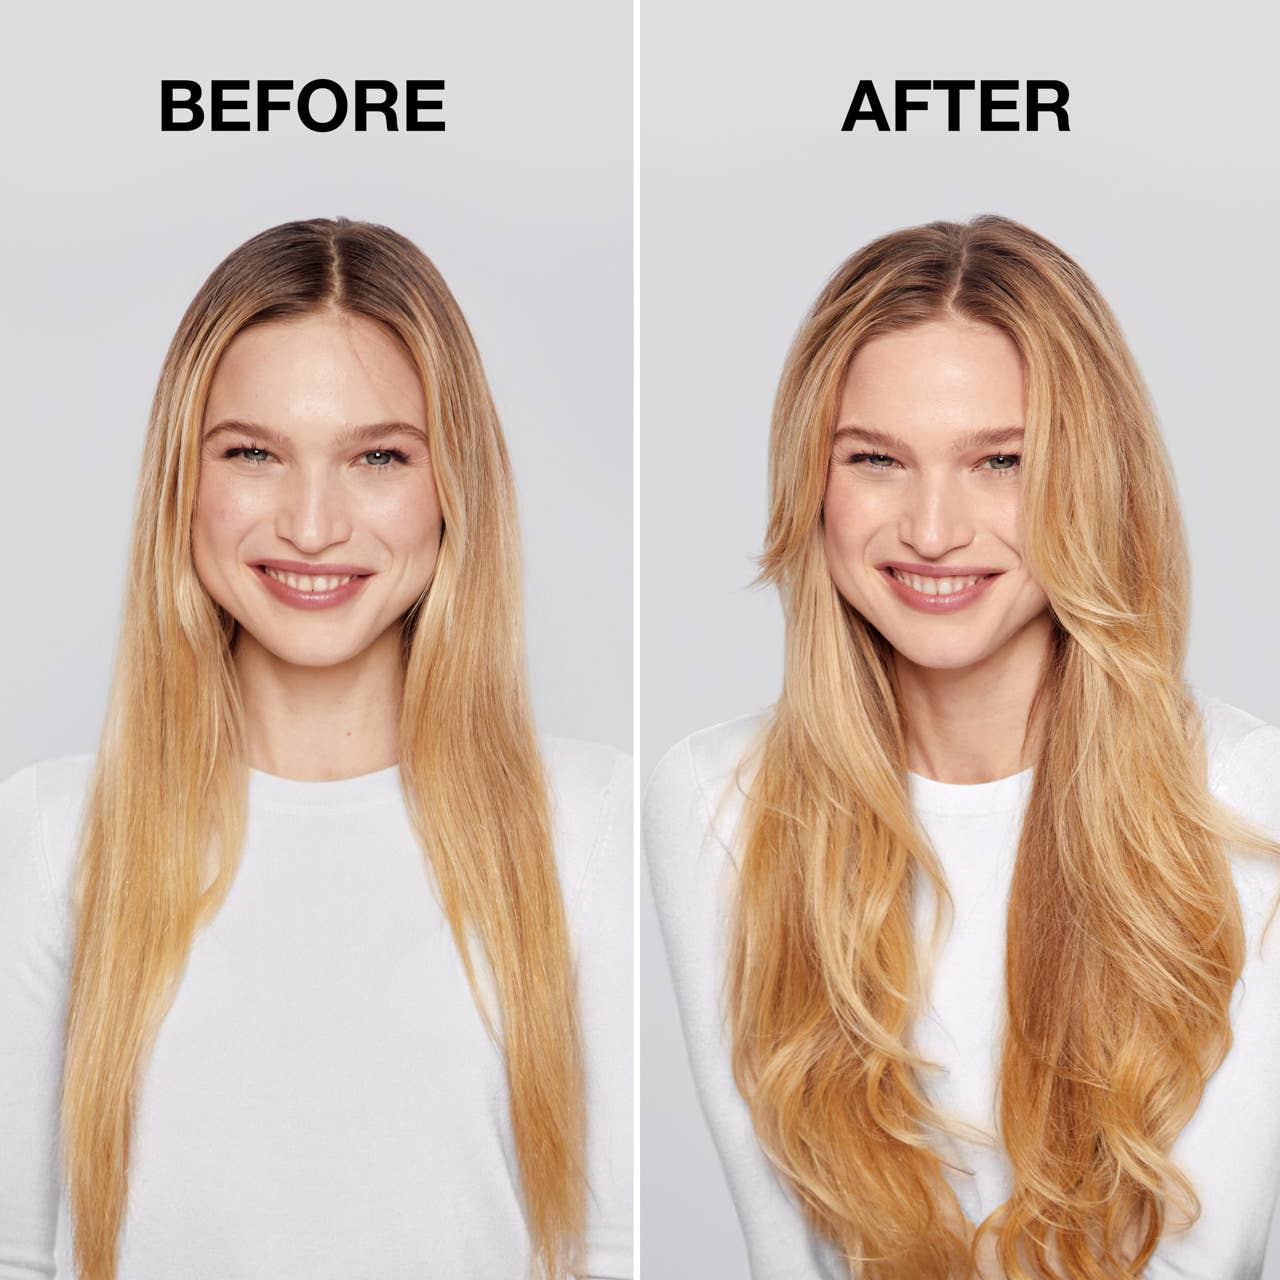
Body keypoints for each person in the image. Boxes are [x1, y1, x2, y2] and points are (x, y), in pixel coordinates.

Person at [644, 215, 1280, 1280]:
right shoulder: (714, 797)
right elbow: (782, 1251)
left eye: (999, 461)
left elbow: (1203, 1258)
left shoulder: (1242, 795)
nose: (931, 529)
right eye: (876, 460)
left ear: (1089, 477)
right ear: (814, 479)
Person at [0, 217, 632, 1280]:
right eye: (252, 453)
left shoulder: (587, 820)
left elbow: (613, 1253)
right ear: (183, 485)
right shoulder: (48, 834)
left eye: (376, 456)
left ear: (451, 489)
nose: (308, 522)